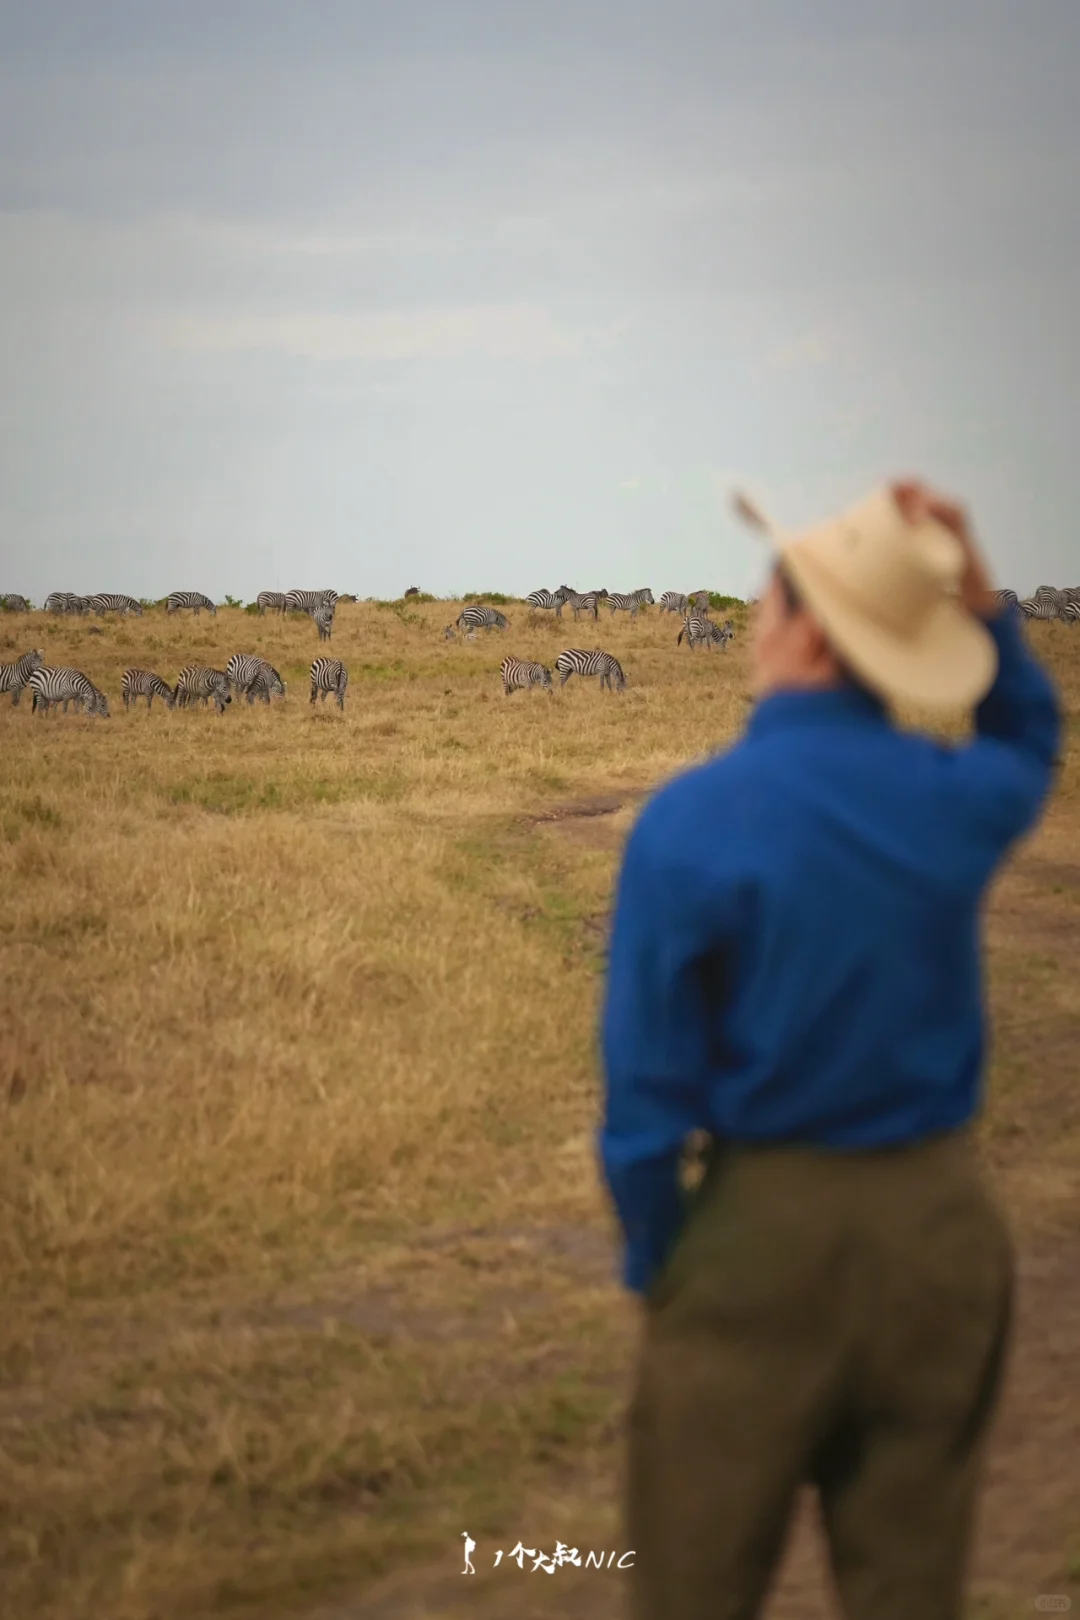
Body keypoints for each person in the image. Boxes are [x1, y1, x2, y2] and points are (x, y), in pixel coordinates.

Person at [600, 481, 1060, 1620]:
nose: (754, 619)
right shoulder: (951, 797)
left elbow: (644, 1104)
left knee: (688, 1587)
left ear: (805, 629)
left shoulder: (688, 820)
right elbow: (1029, 732)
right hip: (942, 1230)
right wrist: (977, 586)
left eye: (766, 598)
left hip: (762, 1237)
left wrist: (667, 1261)